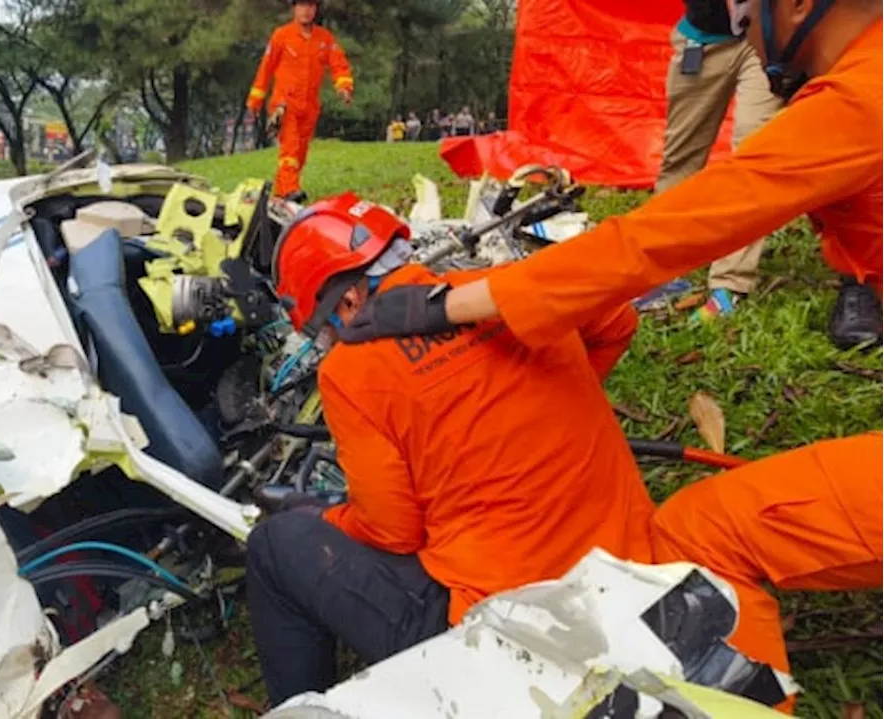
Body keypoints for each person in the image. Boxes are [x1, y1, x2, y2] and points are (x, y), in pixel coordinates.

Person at [338, 0, 884, 709]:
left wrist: (449, 303)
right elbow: (618, 320)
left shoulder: (861, 99)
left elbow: (664, 234)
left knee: (702, 535)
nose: (736, 23)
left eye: (746, 5)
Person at [246, 194, 656, 706]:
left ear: (348, 303)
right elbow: (618, 321)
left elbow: (393, 532)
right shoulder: (496, 292)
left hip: (510, 637)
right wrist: (541, 405)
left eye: (322, 328)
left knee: (274, 547)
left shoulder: (352, 372)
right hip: (635, 575)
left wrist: (327, 517)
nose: (327, 341)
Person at [656, 0, 783, 322]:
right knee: (681, 158)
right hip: (703, 39)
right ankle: (656, 264)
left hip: (771, 44)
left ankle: (730, 283)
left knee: (754, 158)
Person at [247, 0, 354, 204]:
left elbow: (338, 63)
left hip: (310, 106)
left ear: (315, 9)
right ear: (294, 8)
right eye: (302, 5)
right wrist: (255, 100)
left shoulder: (324, 38)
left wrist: (344, 87)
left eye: (310, 6)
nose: (306, 11)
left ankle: (281, 194)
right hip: (284, 103)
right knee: (291, 147)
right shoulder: (281, 35)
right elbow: (266, 68)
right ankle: (290, 189)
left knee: (301, 152)